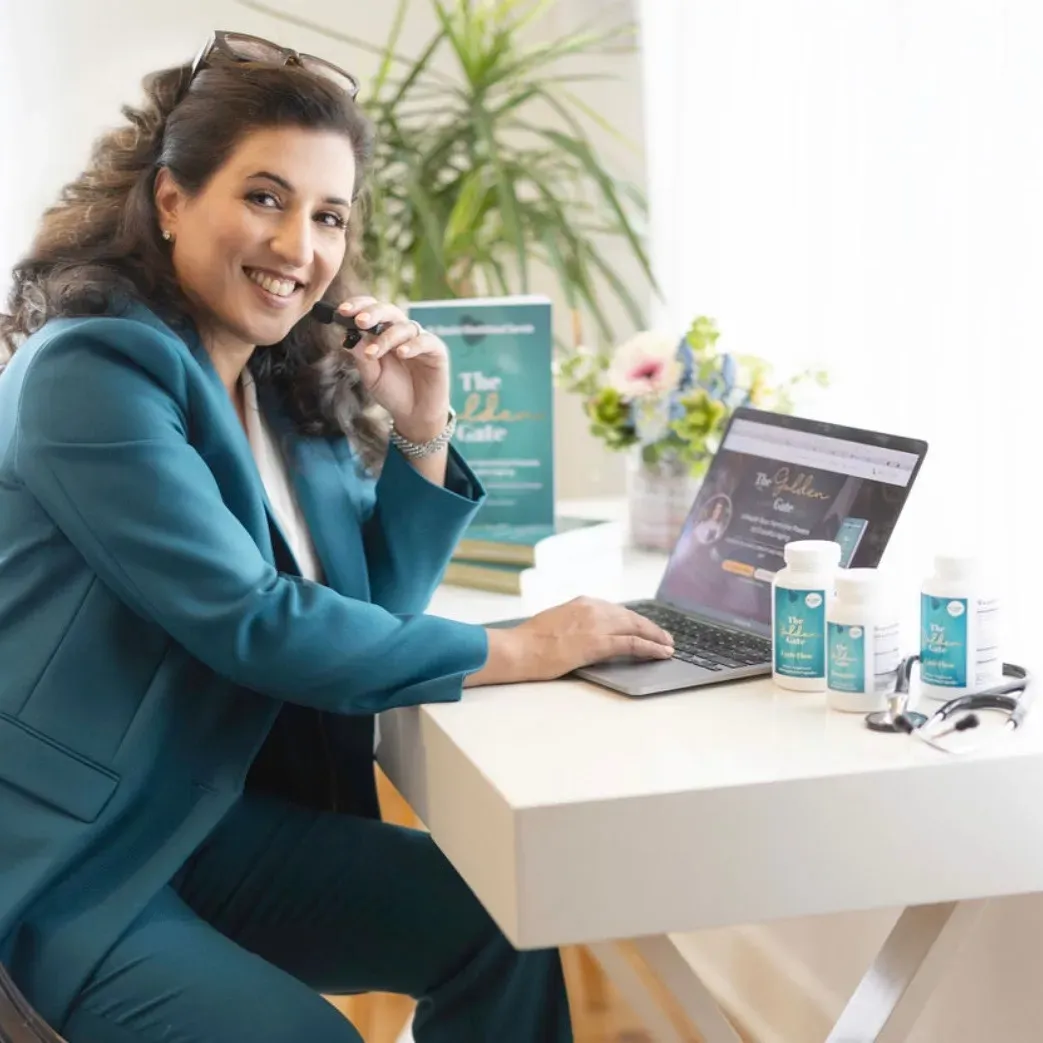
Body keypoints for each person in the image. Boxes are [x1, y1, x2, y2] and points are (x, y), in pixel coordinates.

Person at [0, 31, 675, 1043]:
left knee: (504, 921)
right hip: (69, 858)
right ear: (172, 198)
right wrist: (526, 644)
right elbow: (256, 622)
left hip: (207, 820)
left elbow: (363, 616)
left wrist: (421, 430)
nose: (297, 246)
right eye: (264, 197)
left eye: (327, 215)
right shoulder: (90, 371)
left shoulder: (279, 383)